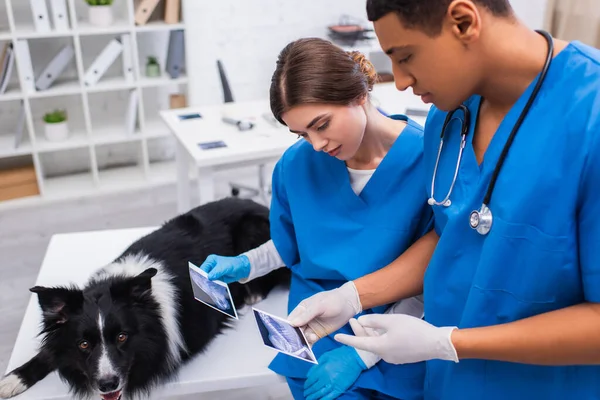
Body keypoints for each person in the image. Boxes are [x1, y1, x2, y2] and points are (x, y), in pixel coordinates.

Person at [286, 0, 600, 399]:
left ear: (463, 21)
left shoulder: (589, 115)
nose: (398, 81)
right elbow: (452, 235)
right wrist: (353, 297)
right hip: (450, 383)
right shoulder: (449, 115)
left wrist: (449, 343)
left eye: (406, 57)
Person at [200, 37, 432, 400]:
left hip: (402, 325)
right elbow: (294, 244)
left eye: (321, 124)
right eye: (302, 133)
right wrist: (244, 264)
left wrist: (362, 352)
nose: (317, 144)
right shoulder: (296, 165)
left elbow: (429, 276)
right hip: (314, 327)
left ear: (359, 94)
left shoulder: (428, 162)